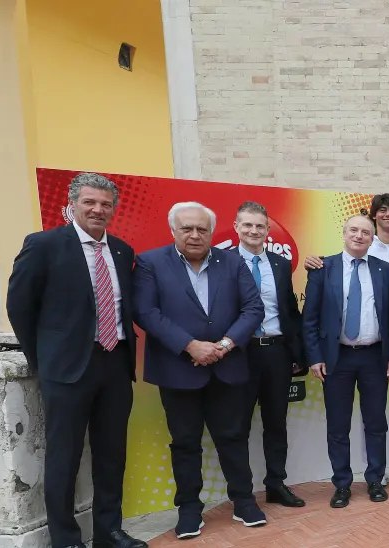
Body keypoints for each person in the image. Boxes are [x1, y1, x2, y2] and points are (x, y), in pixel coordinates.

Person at [7, 173, 147, 548]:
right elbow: (19, 306)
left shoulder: (122, 251)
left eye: (105, 204)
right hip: (66, 370)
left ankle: (108, 531)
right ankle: (66, 539)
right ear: (72, 205)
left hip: (115, 365)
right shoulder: (44, 245)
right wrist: (43, 359)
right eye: (90, 202)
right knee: (64, 457)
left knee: (112, 454)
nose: (98, 209)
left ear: (114, 209)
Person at [134, 202, 267, 538]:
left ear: (211, 232)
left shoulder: (232, 261)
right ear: (173, 230)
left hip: (227, 367)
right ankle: (190, 509)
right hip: (177, 369)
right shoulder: (151, 262)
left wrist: (223, 345)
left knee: (233, 438)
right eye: (187, 228)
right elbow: (146, 312)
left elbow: (254, 309)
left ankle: (243, 501)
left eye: (202, 229)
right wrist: (190, 345)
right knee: (185, 443)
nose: (195, 235)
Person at [302, 215, 389, 508]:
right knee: (338, 424)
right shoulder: (323, 268)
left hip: (374, 357)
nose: (359, 236)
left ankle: (375, 480)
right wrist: (315, 357)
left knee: (376, 422)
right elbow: (310, 319)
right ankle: (342, 484)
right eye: (354, 230)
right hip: (337, 358)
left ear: (372, 238)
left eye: (366, 232)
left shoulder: (385, 271)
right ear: (344, 234)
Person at [233, 202, 306, 508]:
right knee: (237, 426)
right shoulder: (223, 262)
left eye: (260, 226)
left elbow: (289, 309)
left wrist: (297, 353)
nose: (254, 231)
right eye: (247, 225)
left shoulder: (279, 264)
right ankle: (242, 492)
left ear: (267, 230)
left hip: (276, 352)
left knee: (276, 423)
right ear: (237, 227)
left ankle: (276, 484)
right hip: (240, 353)